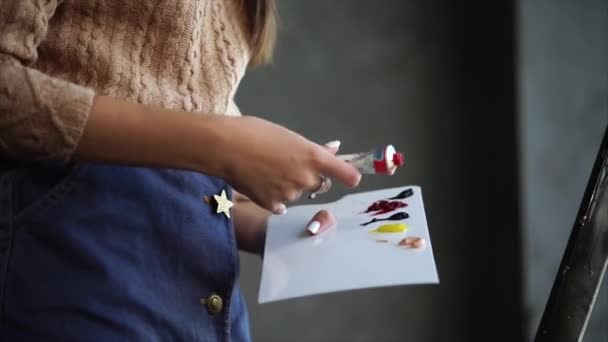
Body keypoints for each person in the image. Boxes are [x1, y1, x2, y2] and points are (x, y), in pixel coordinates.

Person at [0, 1, 361, 340]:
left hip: (205, 296)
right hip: (80, 262)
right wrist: (224, 145)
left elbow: (190, 181)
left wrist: (275, 230)